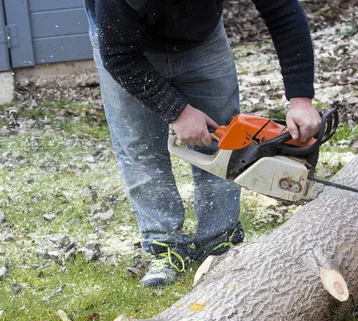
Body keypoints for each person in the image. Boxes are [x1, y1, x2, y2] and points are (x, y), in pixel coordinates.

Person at [84, 0, 321, 287]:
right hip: (128, 48)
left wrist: (301, 98)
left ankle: (221, 240)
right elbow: (119, 55)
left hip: (203, 39)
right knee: (141, 151)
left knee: (227, 142)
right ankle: (164, 246)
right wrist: (177, 111)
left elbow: (282, 10)